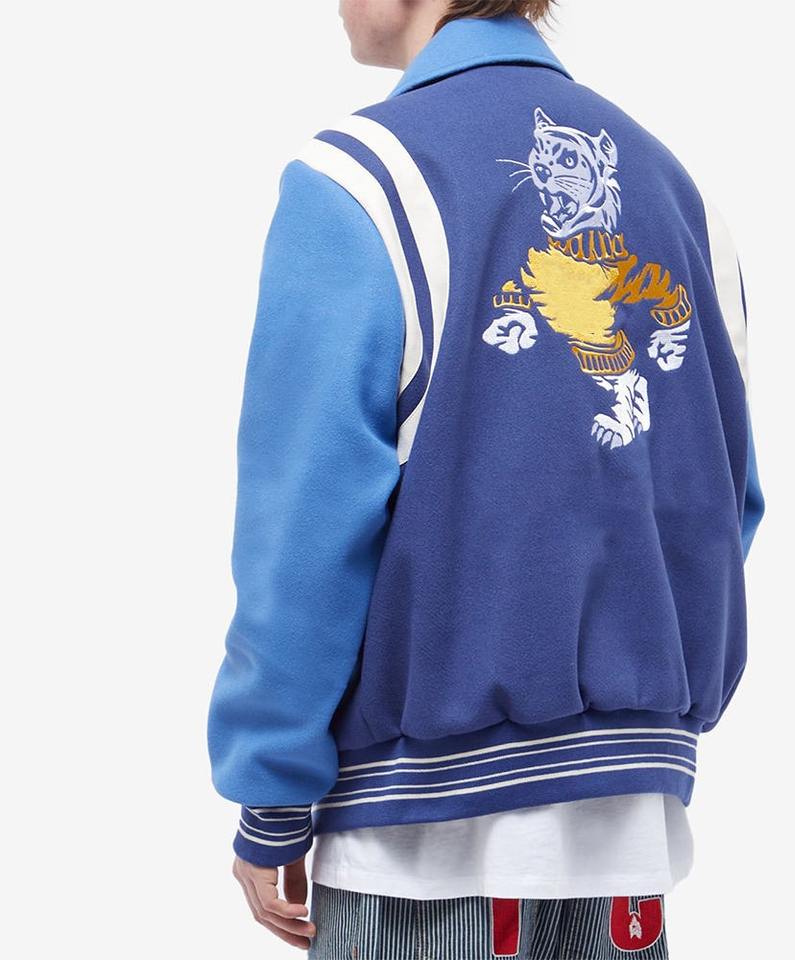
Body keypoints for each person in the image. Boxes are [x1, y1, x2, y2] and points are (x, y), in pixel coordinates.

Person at [207, 0, 765, 956]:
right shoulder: (677, 190)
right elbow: (723, 501)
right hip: (630, 837)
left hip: (418, 845)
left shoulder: (360, 180)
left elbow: (302, 532)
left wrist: (273, 791)